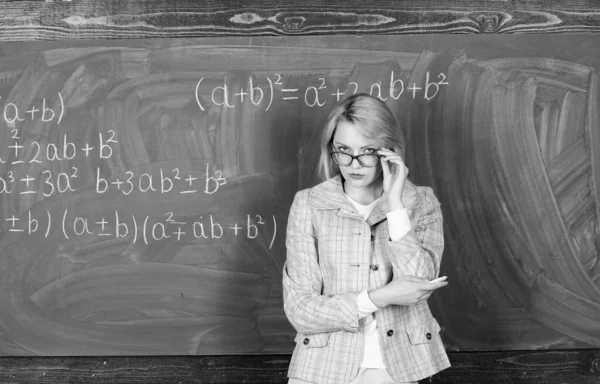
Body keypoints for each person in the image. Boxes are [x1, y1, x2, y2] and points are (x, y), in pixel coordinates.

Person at [282, 93, 451, 384]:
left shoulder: (420, 202)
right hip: (322, 368)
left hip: (401, 366)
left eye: (367, 150)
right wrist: (380, 297)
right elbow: (300, 309)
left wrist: (395, 202)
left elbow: (419, 282)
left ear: (389, 150)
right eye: (343, 150)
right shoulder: (309, 204)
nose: (353, 163)